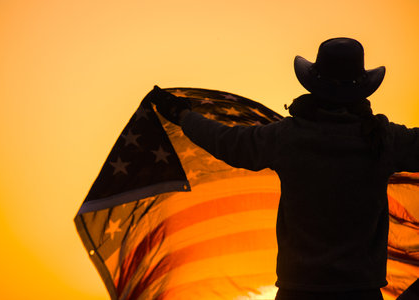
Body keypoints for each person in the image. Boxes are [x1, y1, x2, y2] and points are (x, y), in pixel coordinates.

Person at [151, 38, 419, 300]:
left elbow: (227, 143)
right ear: (361, 90)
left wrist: (184, 116)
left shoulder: (287, 138)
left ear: (315, 86)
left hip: (298, 290)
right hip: (361, 291)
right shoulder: (384, 139)